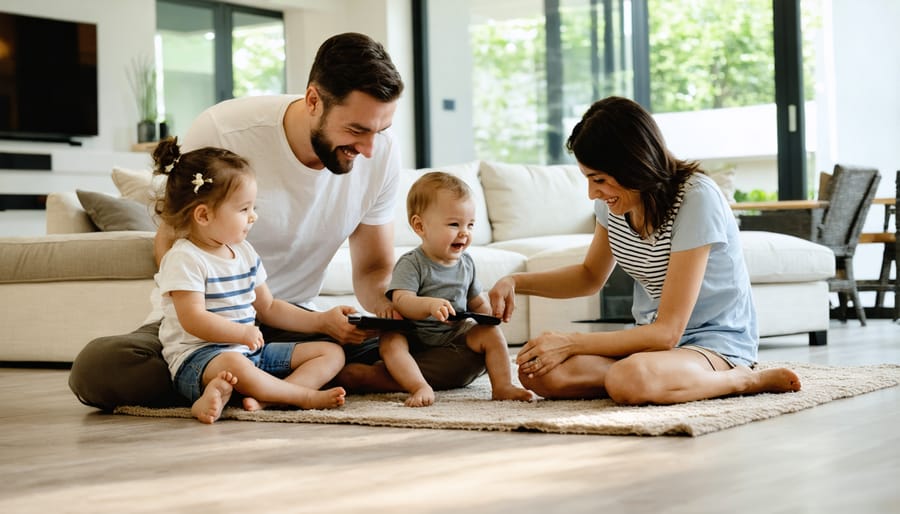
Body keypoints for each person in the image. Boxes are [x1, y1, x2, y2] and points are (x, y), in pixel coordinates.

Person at [69, 32, 485, 411]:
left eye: (381, 129)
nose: (371, 148)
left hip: (296, 325)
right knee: (99, 368)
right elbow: (170, 244)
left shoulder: (380, 153)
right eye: (357, 129)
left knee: (470, 349)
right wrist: (221, 321)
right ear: (313, 101)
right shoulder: (226, 131)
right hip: (209, 328)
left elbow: (375, 270)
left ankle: (255, 385)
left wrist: (387, 314)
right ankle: (252, 380)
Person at [488, 96, 802, 405]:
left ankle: (742, 379)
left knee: (628, 378)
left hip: (712, 343)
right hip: (651, 345)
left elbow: (668, 332)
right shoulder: (612, 203)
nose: (592, 193)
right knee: (539, 373)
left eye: (599, 179)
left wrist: (571, 343)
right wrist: (516, 281)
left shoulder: (696, 199)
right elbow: (588, 276)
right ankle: (650, 379)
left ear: (632, 164)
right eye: (588, 179)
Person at [151, 138, 347, 423]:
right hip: (199, 358)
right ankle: (301, 396)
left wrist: (321, 321)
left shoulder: (243, 252)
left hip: (248, 352)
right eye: (244, 209)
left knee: (331, 353)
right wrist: (240, 334)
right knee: (232, 365)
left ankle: (267, 397)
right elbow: (192, 319)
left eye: (252, 207)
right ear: (204, 215)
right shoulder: (185, 258)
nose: (253, 217)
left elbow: (268, 307)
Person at [381, 172, 533, 406]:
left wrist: (490, 315)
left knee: (489, 333)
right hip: (416, 339)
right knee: (391, 341)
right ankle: (419, 386)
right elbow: (401, 300)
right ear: (420, 226)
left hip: (453, 336)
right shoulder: (412, 263)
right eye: (454, 224)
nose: (465, 232)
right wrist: (429, 305)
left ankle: (503, 386)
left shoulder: (466, 263)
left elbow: (475, 302)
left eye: (470, 225)